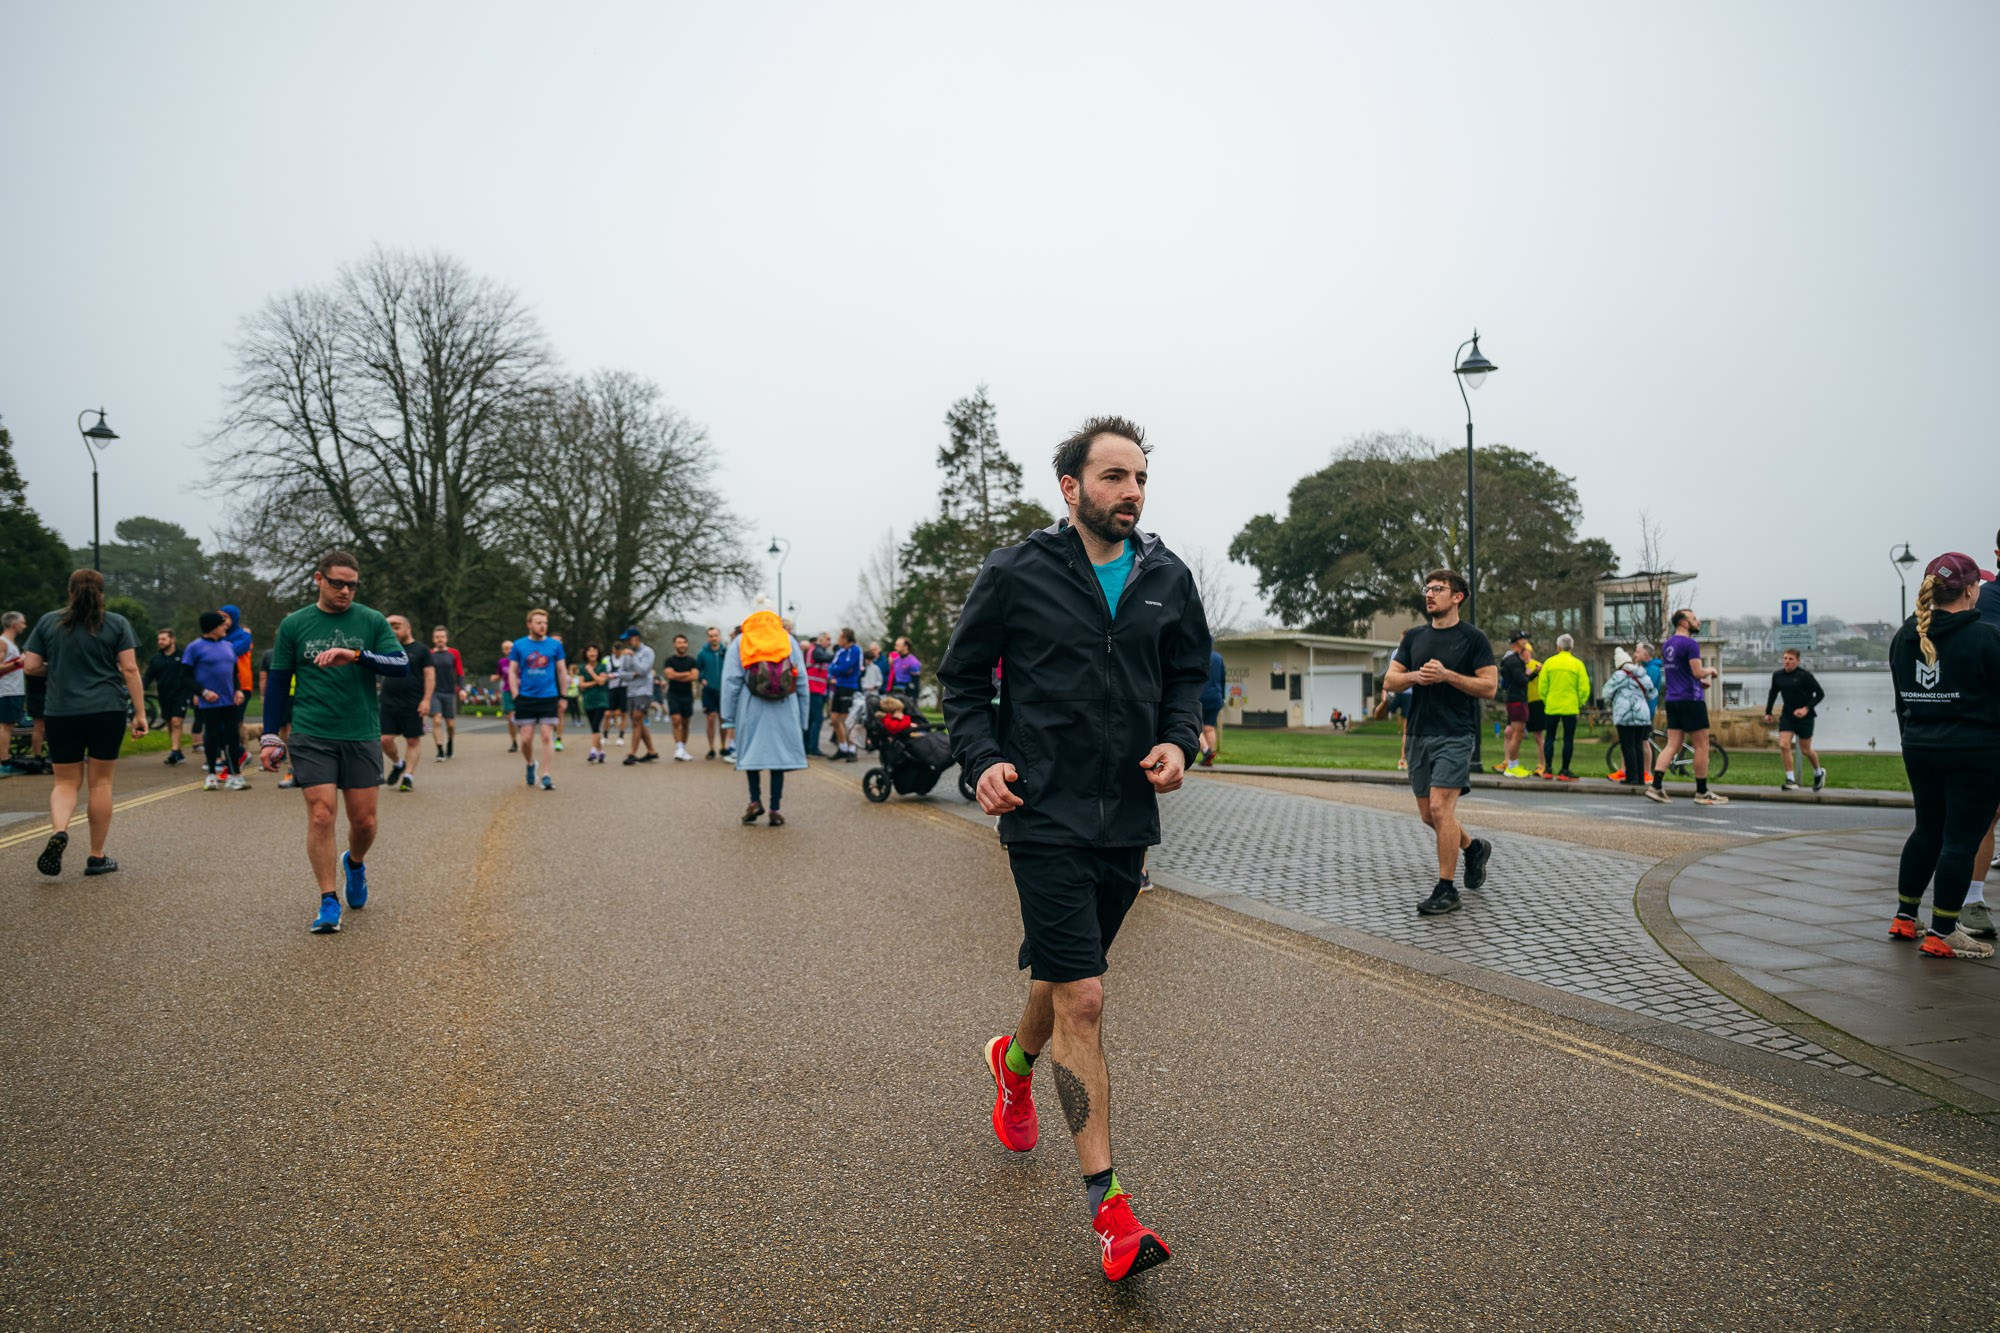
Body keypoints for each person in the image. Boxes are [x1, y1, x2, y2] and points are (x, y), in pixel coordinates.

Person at [940, 415, 1208, 1284]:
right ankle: (1111, 1210)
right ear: (1071, 488)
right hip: (1042, 809)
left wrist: (1180, 741)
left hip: (1127, 814)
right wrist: (981, 759)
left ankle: (1012, 1061)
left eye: (1140, 478)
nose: (1132, 492)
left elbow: (1186, 675)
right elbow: (963, 678)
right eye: (1114, 478)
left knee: (1063, 976)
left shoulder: (1168, 576)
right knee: (1085, 995)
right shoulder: (1019, 570)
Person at [259, 550, 408, 934]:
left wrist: (356, 655)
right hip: (312, 731)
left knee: (364, 821)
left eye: (352, 585)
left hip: (359, 731)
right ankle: (328, 900)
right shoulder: (294, 624)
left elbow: (401, 664)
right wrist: (271, 734)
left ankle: (354, 864)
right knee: (322, 814)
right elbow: (277, 682)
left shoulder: (371, 621)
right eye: (338, 583)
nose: (345, 591)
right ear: (318, 579)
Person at [1887, 552, 2000, 960]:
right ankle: (1943, 932)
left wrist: (1911, 739)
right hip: (1976, 753)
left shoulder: (1905, 637)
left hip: (1920, 748)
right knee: (1959, 841)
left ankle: (1905, 916)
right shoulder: (1986, 638)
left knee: (1927, 831)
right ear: (1971, 590)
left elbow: (1902, 702)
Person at [1384, 569, 1498, 918]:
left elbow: (1489, 687)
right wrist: (1416, 676)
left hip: (1455, 733)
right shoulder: (1415, 638)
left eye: (1438, 589)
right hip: (1419, 733)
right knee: (1427, 814)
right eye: (1427, 589)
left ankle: (1446, 889)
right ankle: (1473, 847)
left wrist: (1447, 675)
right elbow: (1390, 679)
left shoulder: (1473, 639)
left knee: (1440, 809)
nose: (1429, 595)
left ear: (1458, 596)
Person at [22, 572, 147, 877]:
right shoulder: (117, 623)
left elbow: (30, 666)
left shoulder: (49, 621)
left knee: (65, 782)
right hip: (106, 709)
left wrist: (59, 668)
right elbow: (130, 669)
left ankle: (59, 831)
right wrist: (140, 714)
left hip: (62, 711)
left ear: (69, 590)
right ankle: (96, 856)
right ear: (102, 592)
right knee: (101, 783)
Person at [721, 608, 808, 826]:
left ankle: (754, 800)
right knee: (778, 758)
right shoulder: (788, 640)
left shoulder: (741, 641)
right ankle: (775, 808)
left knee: (751, 753)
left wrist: (728, 716)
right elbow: (802, 681)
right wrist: (803, 718)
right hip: (784, 705)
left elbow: (731, 681)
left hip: (751, 704)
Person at [1649, 610, 1726, 806]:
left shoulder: (1667, 645)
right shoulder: (1690, 644)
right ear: (1683, 622)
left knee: (1672, 744)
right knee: (1702, 745)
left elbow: (1681, 674)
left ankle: (1655, 786)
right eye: (1694, 619)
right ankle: (1702, 792)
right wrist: (1711, 671)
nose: (1698, 621)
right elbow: (1698, 671)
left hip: (1673, 699)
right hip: (1691, 700)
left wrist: (1699, 682)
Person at [184, 611, 250, 790]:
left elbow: (234, 672)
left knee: (232, 737)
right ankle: (212, 775)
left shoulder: (228, 646)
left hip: (230, 700)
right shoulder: (195, 647)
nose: (225, 627)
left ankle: (235, 775)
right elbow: (186, 676)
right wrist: (203, 692)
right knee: (212, 736)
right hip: (209, 701)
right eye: (222, 624)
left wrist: (238, 690)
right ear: (212, 628)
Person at [509, 610, 569, 790]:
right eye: (538, 622)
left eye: (545, 623)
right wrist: (515, 694)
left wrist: (563, 696)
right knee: (526, 739)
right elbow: (512, 671)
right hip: (526, 697)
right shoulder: (519, 645)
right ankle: (530, 764)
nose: (542, 626)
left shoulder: (555, 646)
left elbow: (562, 671)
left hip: (548, 696)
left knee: (546, 735)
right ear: (529, 624)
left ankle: (546, 774)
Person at [378, 615, 434, 793]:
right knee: (384, 739)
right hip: (388, 701)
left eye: (397, 626)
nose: (393, 630)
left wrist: (426, 700)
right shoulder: (385, 648)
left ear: (408, 628)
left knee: (412, 740)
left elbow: (429, 676)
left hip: (412, 701)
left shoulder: (421, 650)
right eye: (389, 627)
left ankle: (408, 776)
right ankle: (398, 763)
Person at [1765, 648, 1827, 792]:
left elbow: (1820, 694)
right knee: (1784, 745)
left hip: (1805, 717)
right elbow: (1773, 693)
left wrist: (1806, 709)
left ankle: (1819, 772)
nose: (1787, 661)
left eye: (1790, 659)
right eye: (1785, 658)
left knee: (1806, 749)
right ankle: (1790, 779)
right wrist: (1768, 712)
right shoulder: (1778, 676)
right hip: (1788, 716)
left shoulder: (1805, 676)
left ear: (1797, 661)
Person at [1537, 633, 1589, 782]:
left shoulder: (1549, 663)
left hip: (1552, 705)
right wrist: (1579, 702)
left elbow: (1542, 685)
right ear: (1571, 647)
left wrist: (1547, 700)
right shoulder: (1577, 664)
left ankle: (1548, 769)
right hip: (1570, 706)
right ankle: (1564, 770)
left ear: (1558, 647)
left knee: (1550, 738)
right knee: (1568, 739)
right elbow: (1584, 688)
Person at [1604, 646, 1659, 786]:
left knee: (1627, 745)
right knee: (1639, 745)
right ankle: (1640, 778)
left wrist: (1616, 700)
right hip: (1642, 714)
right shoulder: (1642, 674)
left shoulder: (1618, 676)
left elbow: (1606, 694)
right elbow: (1653, 693)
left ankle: (1631, 777)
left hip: (1624, 715)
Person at [142, 627, 193, 764]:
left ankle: (175, 752)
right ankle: (177, 751)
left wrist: (195, 692)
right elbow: (148, 677)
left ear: (172, 639)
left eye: (164, 639)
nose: (161, 642)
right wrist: (140, 689)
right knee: (170, 723)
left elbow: (191, 674)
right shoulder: (156, 659)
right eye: (159, 639)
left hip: (181, 694)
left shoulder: (183, 656)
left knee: (177, 721)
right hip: (164, 695)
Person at [1495, 631, 1538, 777]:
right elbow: (1521, 680)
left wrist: (1532, 673)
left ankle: (1512, 764)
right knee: (1517, 734)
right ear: (1516, 642)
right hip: (1517, 699)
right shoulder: (1513, 660)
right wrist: (1528, 672)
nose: (1526, 641)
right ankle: (1512, 766)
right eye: (1523, 639)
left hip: (1518, 698)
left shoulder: (1514, 659)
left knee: (1515, 733)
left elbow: (1523, 679)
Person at [620, 628, 660, 765]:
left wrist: (632, 658)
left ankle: (632, 753)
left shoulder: (648, 652)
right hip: (631, 691)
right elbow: (621, 674)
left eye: (628, 639)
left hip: (644, 690)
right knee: (638, 722)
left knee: (637, 718)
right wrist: (632, 675)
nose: (626, 642)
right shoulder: (626, 654)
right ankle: (651, 751)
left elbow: (643, 670)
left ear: (636, 638)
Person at [697, 625, 734, 759]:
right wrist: (702, 678)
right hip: (709, 690)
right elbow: (698, 669)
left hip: (723, 690)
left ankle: (723, 746)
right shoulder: (702, 653)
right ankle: (711, 747)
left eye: (716, 635)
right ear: (708, 637)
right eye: (711, 636)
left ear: (719, 636)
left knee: (722, 719)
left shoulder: (727, 652)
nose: (714, 638)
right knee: (710, 718)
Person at [662, 633, 700, 761]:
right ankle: (678, 748)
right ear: (674, 645)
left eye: (684, 642)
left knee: (685, 723)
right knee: (676, 720)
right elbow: (669, 675)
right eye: (679, 642)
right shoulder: (669, 660)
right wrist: (685, 674)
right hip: (673, 694)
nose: (682, 645)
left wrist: (677, 675)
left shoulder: (692, 661)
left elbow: (694, 676)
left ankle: (683, 748)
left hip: (687, 694)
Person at [428, 626, 465, 761]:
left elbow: (460, 672)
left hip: (449, 692)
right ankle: (439, 750)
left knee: (450, 724)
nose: (440, 639)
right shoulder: (429, 654)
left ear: (446, 638)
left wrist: (461, 689)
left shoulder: (454, 653)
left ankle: (450, 742)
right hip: (434, 692)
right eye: (437, 637)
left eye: (442, 637)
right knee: (437, 720)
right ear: (433, 639)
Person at [577, 644, 612, 763]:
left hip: (601, 700)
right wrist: (594, 681)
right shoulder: (582, 667)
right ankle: (601, 752)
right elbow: (581, 685)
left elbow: (602, 682)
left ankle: (593, 750)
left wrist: (591, 673)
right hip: (588, 700)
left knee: (596, 723)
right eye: (589, 651)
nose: (592, 653)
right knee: (594, 726)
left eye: (595, 650)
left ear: (598, 653)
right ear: (586, 653)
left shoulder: (602, 666)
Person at [0, 611, 27, 768]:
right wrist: (18, 662)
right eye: (23, 622)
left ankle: (5, 758)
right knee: (5, 725)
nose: (24, 626)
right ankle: (4, 761)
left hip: (15, 690)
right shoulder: (2, 642)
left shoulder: (11, 643)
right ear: (14, 624)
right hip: (7, 690)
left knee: (9, 725)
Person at [803, 632, 832, 756]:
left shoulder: (816, 650)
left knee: (810, 719)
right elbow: (825, 658)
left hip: (816, 689)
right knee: (817, 719)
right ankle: (813, 748)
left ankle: (807, 746)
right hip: (814, 689)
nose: (829, 642)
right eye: (827, 639)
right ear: (820, 640)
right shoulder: (817, 651)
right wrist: (838, 655)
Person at [1198, 646, 1226, 766]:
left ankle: (1206, 751)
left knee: (1195, 727)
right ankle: (1209, 757)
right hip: (1216, 696)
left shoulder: (1198, 655)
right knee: (1209, 728)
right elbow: (1223, 678)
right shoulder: (1218, 658)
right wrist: (1223, 696)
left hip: (1200, 696)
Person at [497, 640, 519, 753]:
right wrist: (495, 677)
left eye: (511, 648)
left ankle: (525, 738)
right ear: (503, 651)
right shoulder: (502, 662)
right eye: (506, 648)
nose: (509, 650)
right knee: (511, 717)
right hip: (507, 691)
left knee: (522, 717)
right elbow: (500, 675)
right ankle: (514, 741)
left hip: (521, 691)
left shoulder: (520, 660)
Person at [890, 636, 922, 711]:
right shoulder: (896, 660)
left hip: (908, 694)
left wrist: (913, 698)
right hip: (896, 692)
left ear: (905, 647)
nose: (895, 647)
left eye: (898, 645)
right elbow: (895, 677)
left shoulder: (913, 662)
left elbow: (915, 682)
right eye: (895, 645)